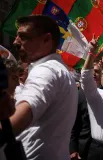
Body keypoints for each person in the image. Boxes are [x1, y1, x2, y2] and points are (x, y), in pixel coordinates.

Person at [9, 15, 78, 160]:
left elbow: (21, 117)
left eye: (23, 37)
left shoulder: (46, 71)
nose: (16, 42)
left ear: (46, 39)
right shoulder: (57, 70)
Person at [69, 61, 103, 160]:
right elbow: (73, 124)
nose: (94, 74)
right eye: (91, 71)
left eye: (97, 71)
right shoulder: (78, 95)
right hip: (84, 148)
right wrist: (73, 149)